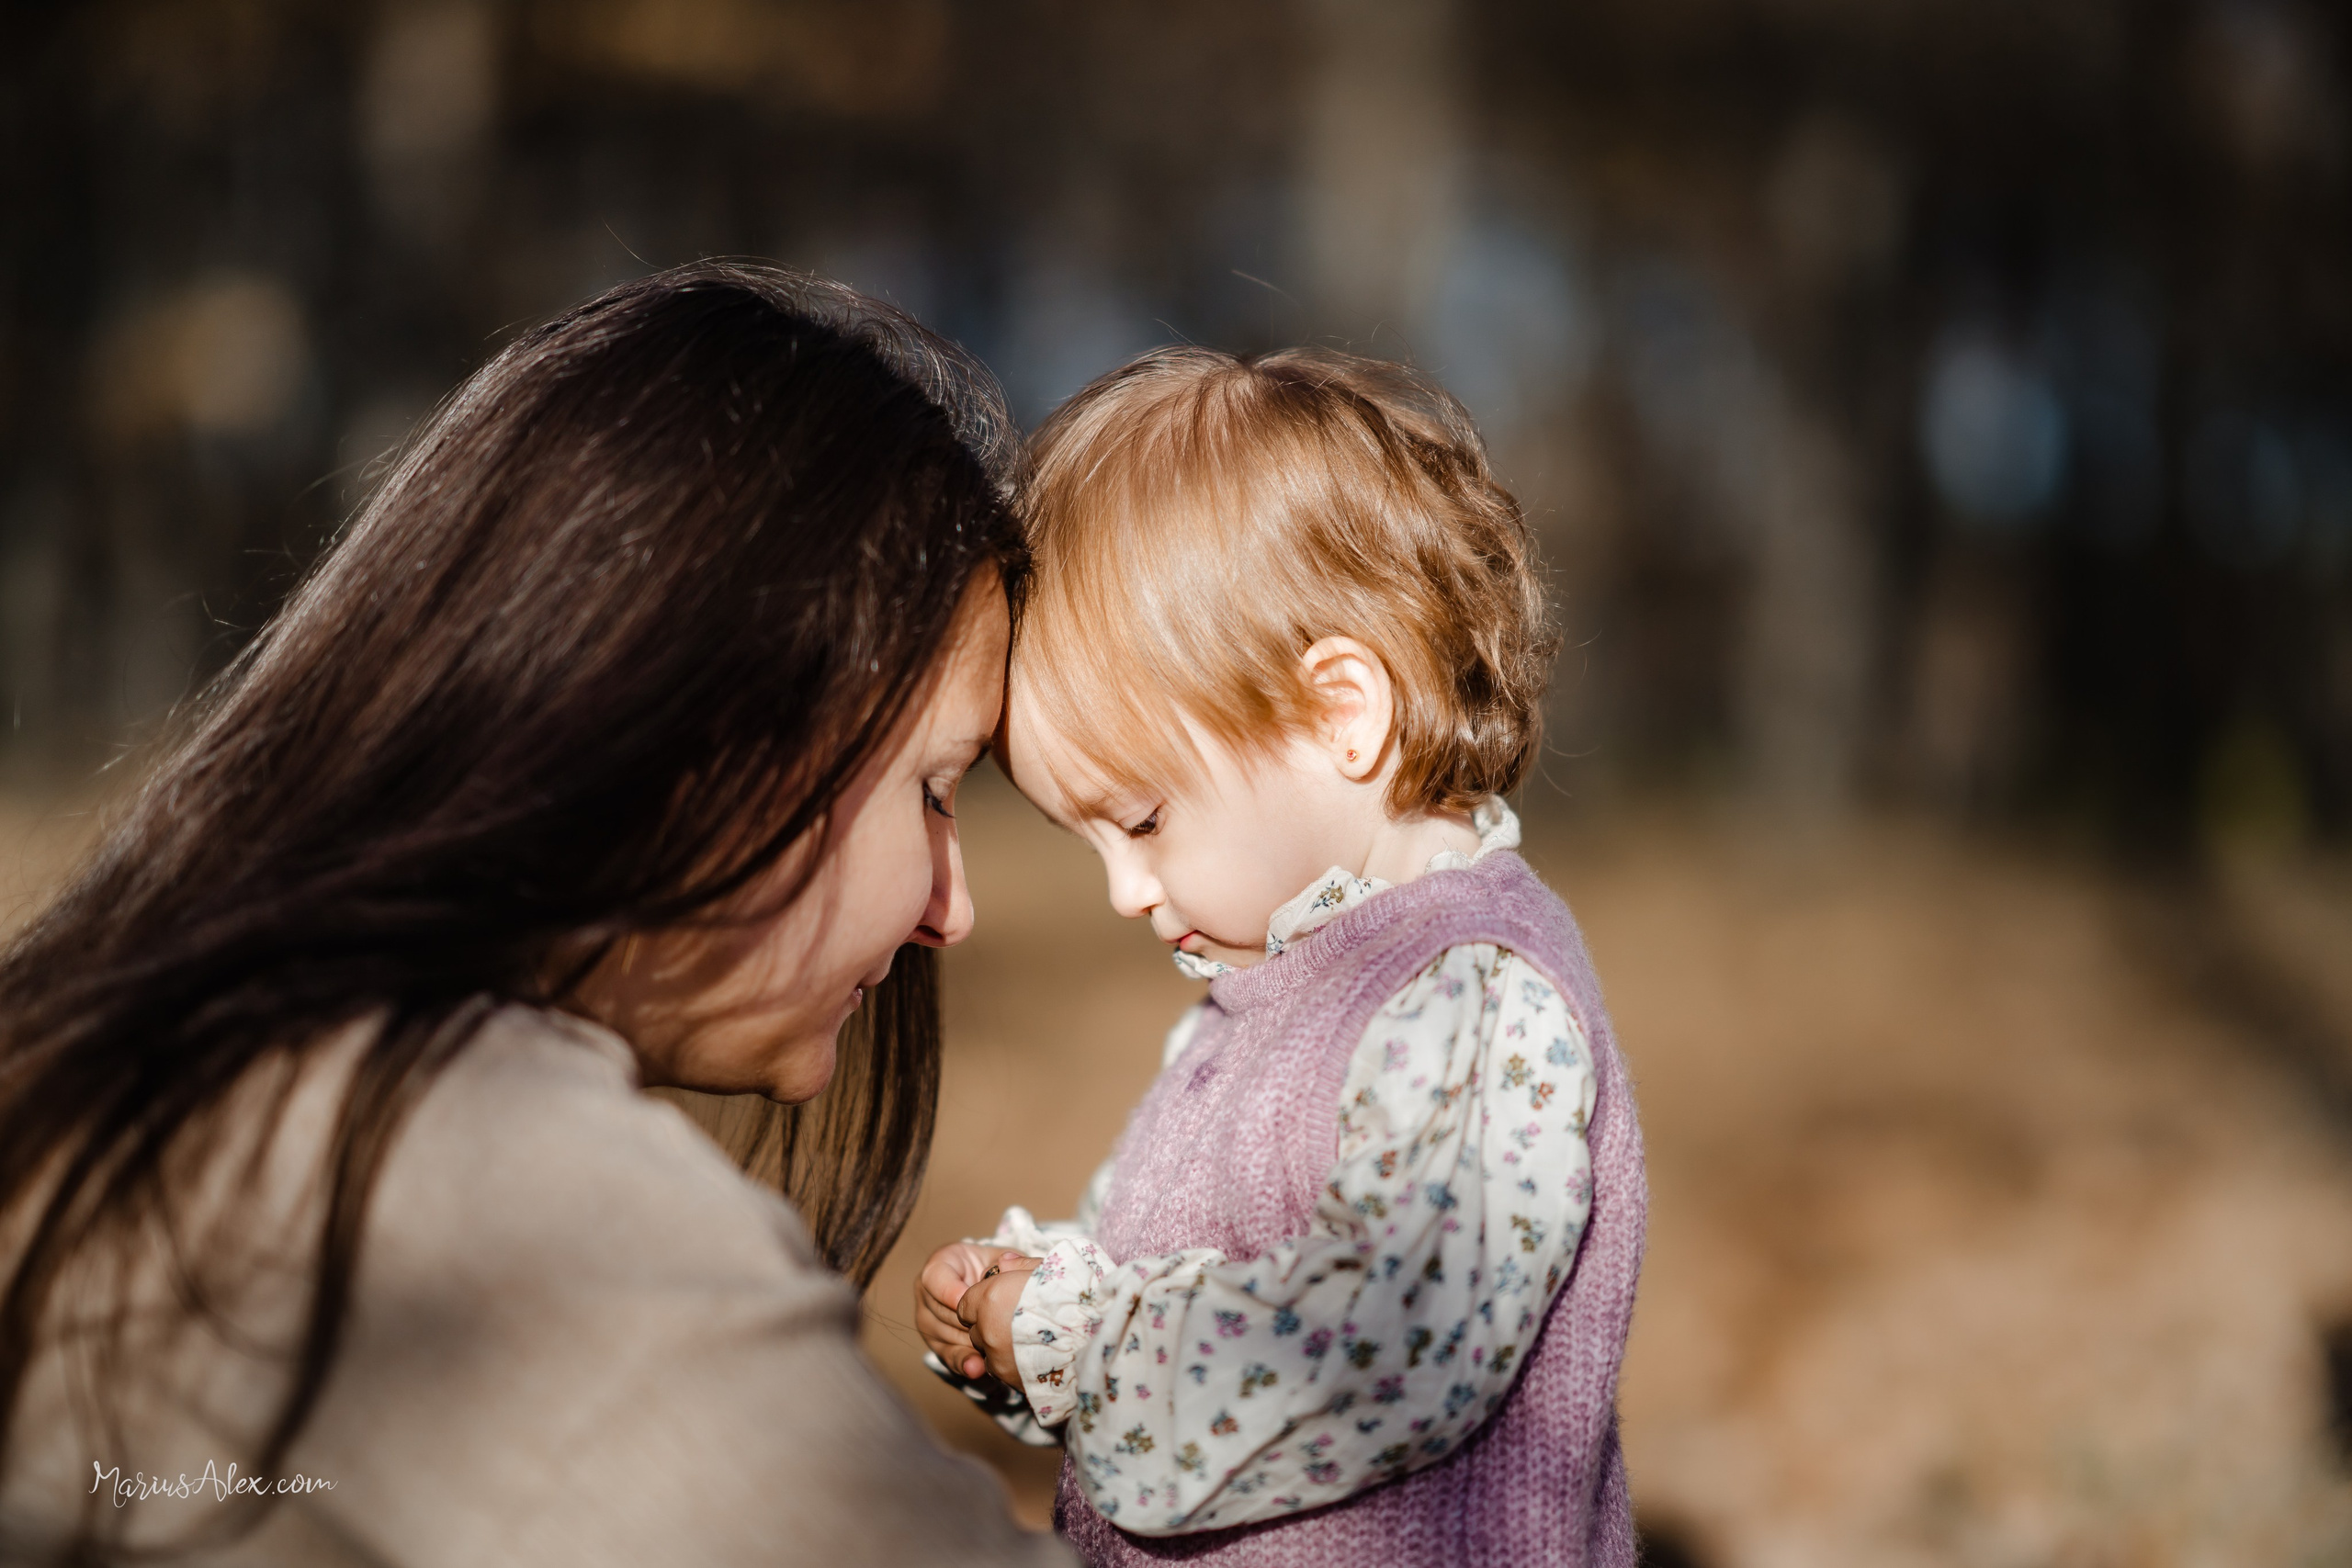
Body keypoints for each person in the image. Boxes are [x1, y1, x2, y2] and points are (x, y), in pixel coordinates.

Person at [0, 264, 1070, 1566]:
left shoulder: (170, 1068)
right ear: (727, 733)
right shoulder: (507, 1200)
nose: (953, 913)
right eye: (935, 790)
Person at [914, 347, 1646, 1566]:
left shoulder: (1472, 994)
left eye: (1144, 819)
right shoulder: (1254, 1002)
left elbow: (1388, 1341)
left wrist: (1074, 1335)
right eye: (1086, 841)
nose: (1125, 892)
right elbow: (1175, 1278)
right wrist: (1030, 1305)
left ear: (1340, 714)